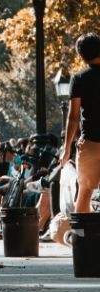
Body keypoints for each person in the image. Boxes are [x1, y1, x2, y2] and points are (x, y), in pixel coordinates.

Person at [61, 32, 100, 213]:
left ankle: (82, 238)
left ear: (81, 56)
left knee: (84, 191)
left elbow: (73, 116)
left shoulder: (79, 79)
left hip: (91, 142)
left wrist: (67, 147)